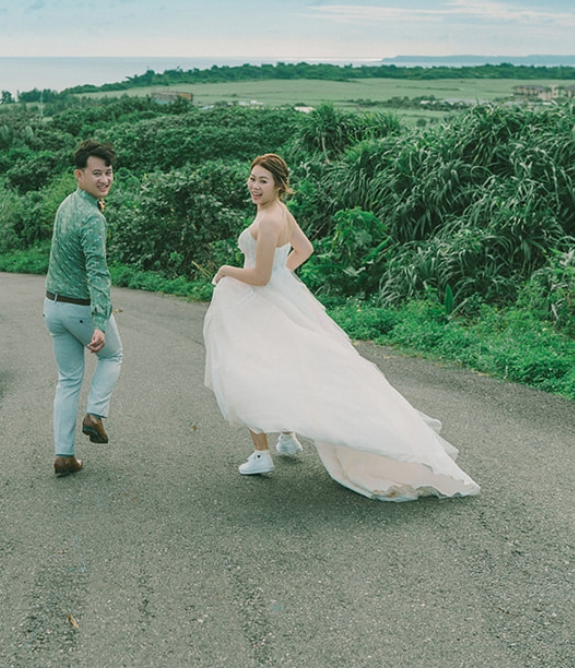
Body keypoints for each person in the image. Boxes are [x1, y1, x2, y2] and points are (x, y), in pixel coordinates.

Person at [204, 153, 479, 501]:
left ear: (278, 186)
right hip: (280, 297)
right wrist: (282, 275)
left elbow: (258, 276)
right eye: (252, 178)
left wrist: (229, 270)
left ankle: (262, 454)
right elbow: (304, 249)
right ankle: (287, 437)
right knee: (286, 365)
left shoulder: (271, 219)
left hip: (259, 301)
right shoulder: (278, 212)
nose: (255, 186)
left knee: (247, 371)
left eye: (263, 181)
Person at [43, 139, 123, 476]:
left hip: (53, 307)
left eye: (108, 173)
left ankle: (64, 457)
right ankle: (95, 414)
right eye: (96, 173)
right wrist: (101, 322)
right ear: (79, 174)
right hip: (80, 308)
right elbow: (98, 272)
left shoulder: (68, 204)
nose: (104, 179)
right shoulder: (92, 218)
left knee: (68, 380)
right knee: (112, 356)